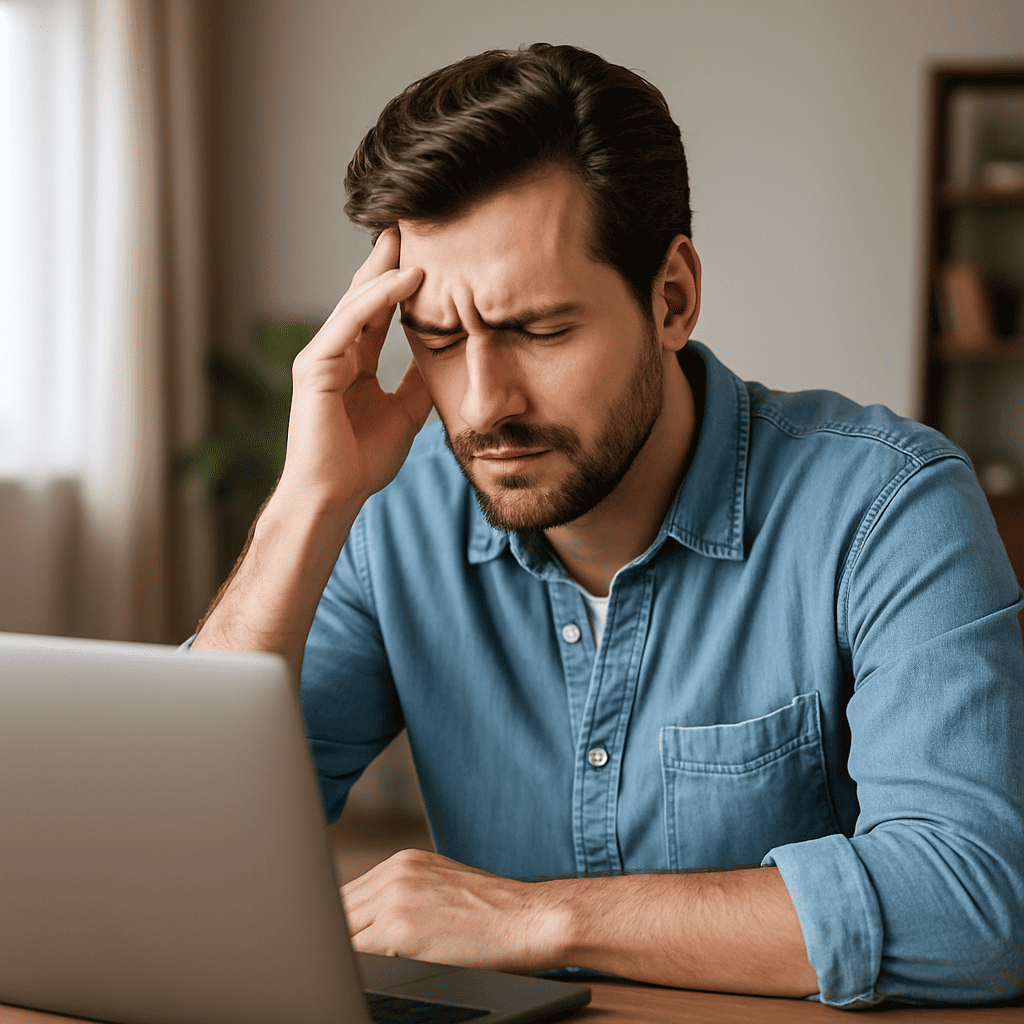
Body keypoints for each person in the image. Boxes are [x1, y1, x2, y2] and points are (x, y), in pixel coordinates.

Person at [191, 43, 1024, 1007]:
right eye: (440, 340)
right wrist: (307, 502)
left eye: (540, 331)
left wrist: (539, 916)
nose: (482, 404)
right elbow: (173, 849)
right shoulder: (394, 517)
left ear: (671, 299)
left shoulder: (889, 507)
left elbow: (977, 900)